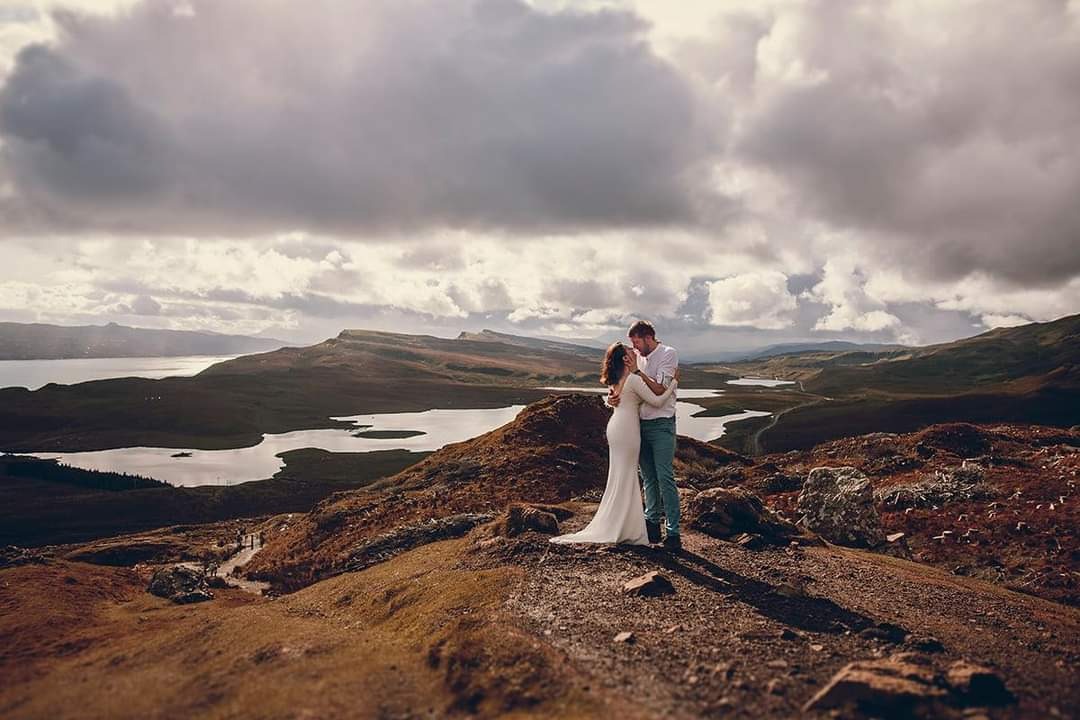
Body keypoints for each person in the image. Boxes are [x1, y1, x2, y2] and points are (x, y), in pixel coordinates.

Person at [549, 341, 678, 546]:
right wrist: (673, 384)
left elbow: (616, 399)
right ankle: (626, 527)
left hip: (616, 428)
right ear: (625, 359)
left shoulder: (614, 381)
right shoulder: (633, 380)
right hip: (628, 431)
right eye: (630, 351)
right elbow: (657, 401)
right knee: (627, 476)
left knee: (620, 475)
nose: (634, 352)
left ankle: (622, 523)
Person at [607, 320, 681, 549]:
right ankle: (652, 525)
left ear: (648, 337)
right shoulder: (638, 358)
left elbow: (659, 391)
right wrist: (610, 398)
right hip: (638, 426)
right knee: (648, 478)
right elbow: (624, 384)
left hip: (661, 425)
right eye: (632, 343)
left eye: (636, 341)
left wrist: (639, 373)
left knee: (664, 477)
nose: (635, 347)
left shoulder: (668, 354)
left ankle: (673, 533)